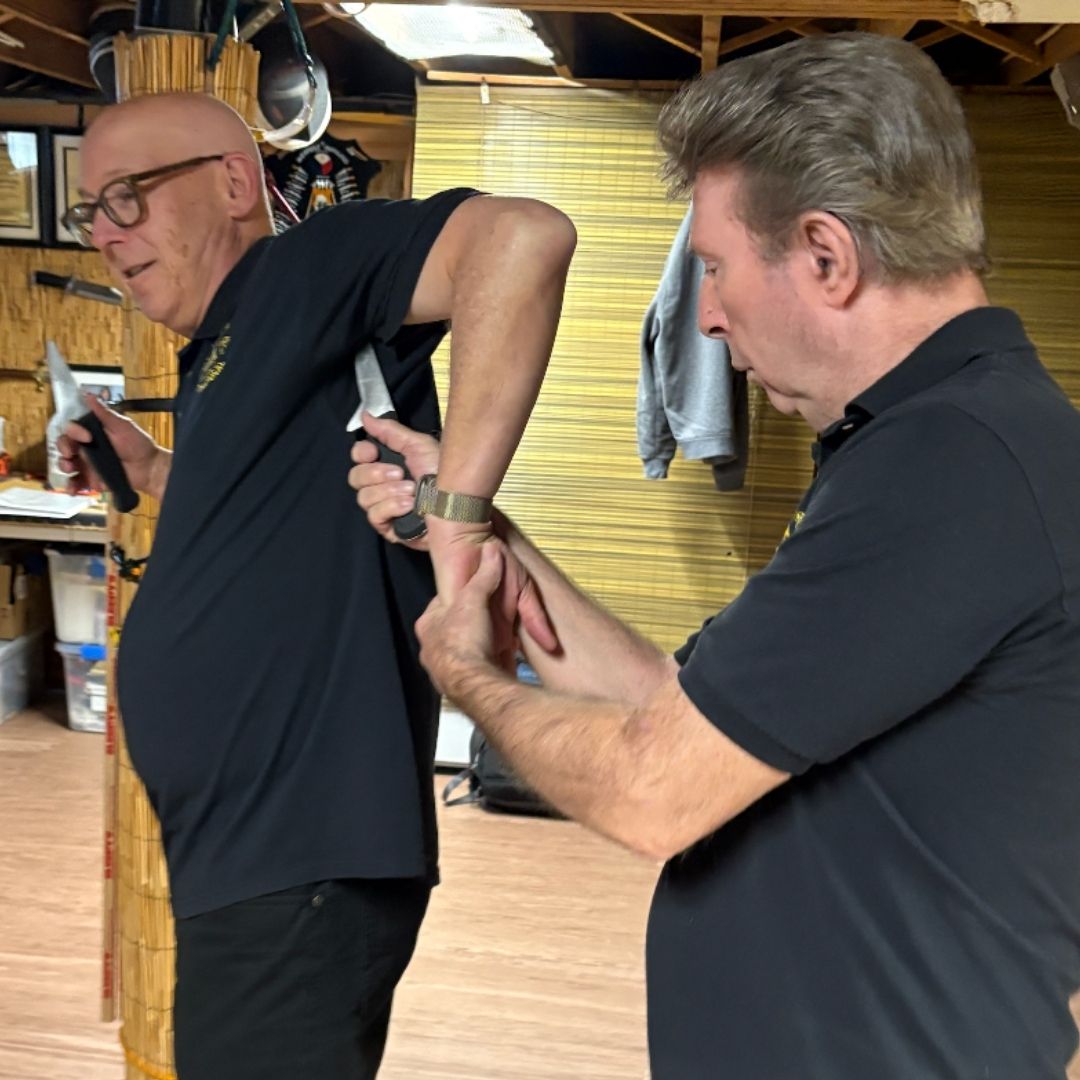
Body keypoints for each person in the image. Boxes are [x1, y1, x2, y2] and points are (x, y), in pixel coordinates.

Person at [350, 31, 1080, 1079]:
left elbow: (651, 789)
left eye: (715, 268)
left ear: (826, 255)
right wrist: (469, 521)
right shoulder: (922, 443)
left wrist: (465, 673)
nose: (707, 315)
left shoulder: (954, 464)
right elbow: (674, 700)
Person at [57, 91, 574, 1080]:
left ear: (234, 182)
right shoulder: (236, 338)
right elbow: (281, 505)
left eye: (129, 196)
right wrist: (155, 469)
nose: (108, 234)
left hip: (302, 850)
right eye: (93, 212)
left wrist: (457, 511)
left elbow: (523, 239)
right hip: (257, 857)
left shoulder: (302, 267)